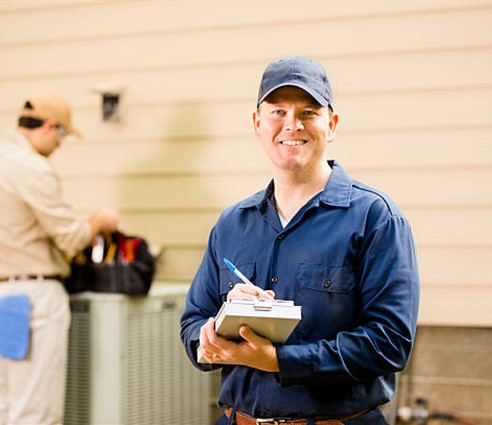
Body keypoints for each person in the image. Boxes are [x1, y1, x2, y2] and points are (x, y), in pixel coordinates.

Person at [180, 56, 420, 425]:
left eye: (308, 112)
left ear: (332, 124)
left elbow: (389, 343)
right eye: (277, 111)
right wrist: (212, 335)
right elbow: (193, 322)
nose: (291, 125)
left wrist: (278, 361)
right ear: (257, 124)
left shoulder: (375, 218)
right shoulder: (231, 224)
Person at [0, 94, 119, 425]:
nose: (60, 145)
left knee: (7, 401)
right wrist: (98, 222)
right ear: (50, 127)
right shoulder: (32, 167)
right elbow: (71, 237)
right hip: (33, 300)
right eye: (63, 135)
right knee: (36, 411)